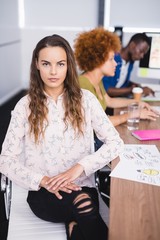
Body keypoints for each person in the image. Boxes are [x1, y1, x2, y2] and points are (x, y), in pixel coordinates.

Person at [0, 34, 124, 240]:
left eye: (60, 63)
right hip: (43, 193)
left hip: (81, 185)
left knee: (83, 202)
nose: (54, 71)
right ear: (37, 65)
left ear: (69, 65)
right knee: (85, 207)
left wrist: (78, 169)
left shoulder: (87, 100)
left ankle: (74, 228)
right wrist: (45, 180)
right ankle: (75, 224)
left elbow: (115, 143)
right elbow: (5, 161)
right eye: (46, 63)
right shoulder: (25, 106)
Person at [74, 27, 159, 127]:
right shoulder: (83, 85)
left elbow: (109, 101)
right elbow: (97, 124)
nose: (115, 63)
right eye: (111, 59)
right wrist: (134, 114)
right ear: (98, 59)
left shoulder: (96, 80)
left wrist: (137, 102)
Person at [102, 32, 155, 98]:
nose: (142, 56)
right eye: (141, 51)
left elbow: (120, 82)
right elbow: (105, 89)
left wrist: (134, 85)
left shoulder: (131, 62)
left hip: (118, 99)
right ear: (132, 45)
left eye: (144, 54)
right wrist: (131, 90)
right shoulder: (112, 59)